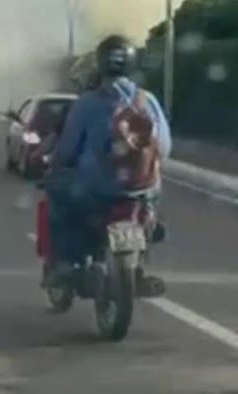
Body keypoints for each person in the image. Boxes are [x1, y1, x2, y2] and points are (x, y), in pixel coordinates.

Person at [43, 34, 172, 287]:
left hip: (95, 191)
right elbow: (165, 148)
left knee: (57, 197)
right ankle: (143, 250)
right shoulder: (148, 101)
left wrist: (54, 166)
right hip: (141, 190)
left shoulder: (87, 104)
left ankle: (67, 263)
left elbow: (67, 150)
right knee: (150, 203)